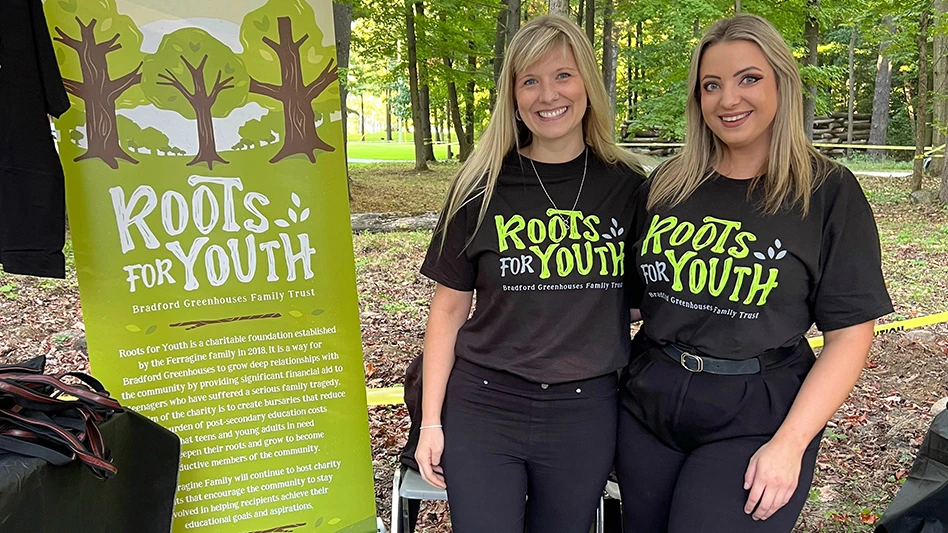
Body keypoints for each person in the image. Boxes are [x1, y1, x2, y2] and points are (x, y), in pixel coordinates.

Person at [616, 13, 893, 533]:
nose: (728, 99)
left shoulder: (825, 192)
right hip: (649, 403)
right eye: (711, 85)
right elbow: (631, 299)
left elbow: (851, 335)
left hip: (757, 414)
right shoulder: (666, 186)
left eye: (748, 78)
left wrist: (790, 444)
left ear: (781, 83)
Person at [413, 14, 647, 533]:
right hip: (484, 404)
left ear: (587, 83)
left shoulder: (630, 187)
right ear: (513, 95)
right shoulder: (480, 185)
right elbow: (448, 311)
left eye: (563, 75)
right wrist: (431, 422)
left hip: (585, 411)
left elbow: (643, 298)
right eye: (530, 81)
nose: (548, 95)